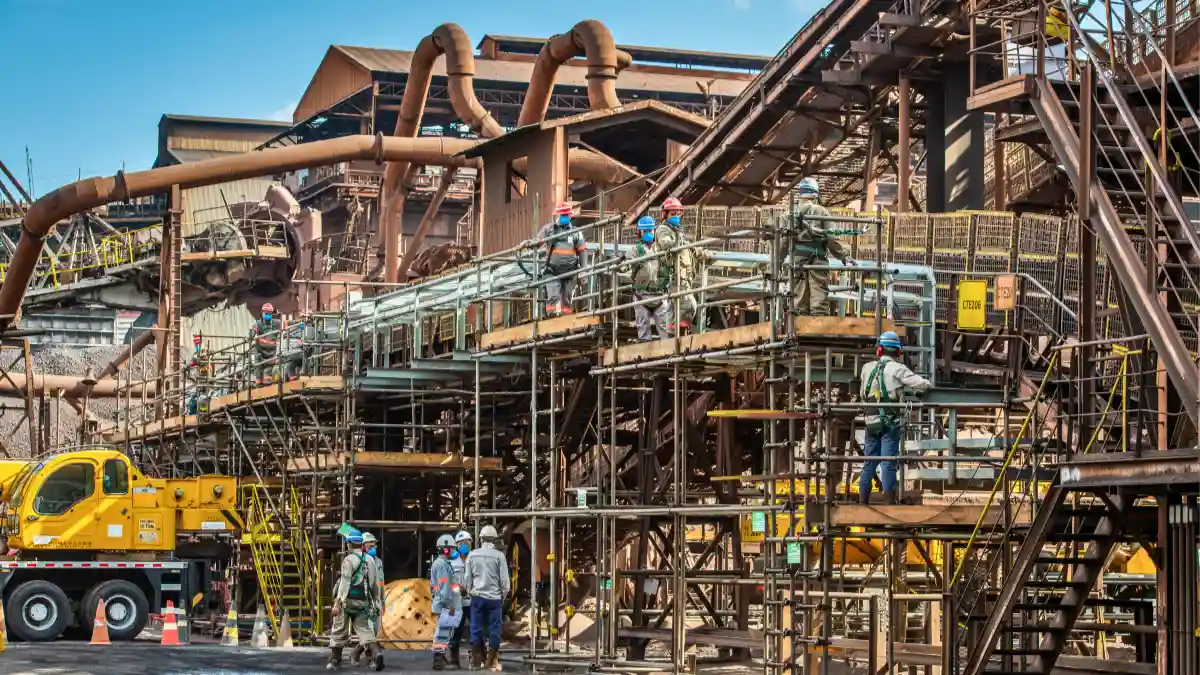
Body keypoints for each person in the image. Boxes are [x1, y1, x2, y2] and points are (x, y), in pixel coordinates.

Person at [858, 331, 932, 505]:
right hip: (890, 424)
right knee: (888, 463)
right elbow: (923, 384)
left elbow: (862, 393)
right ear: (898, 352)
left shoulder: (866, 368)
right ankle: (889, 503)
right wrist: (920, 390)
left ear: (880, 350)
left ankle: (862, 503)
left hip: (870, 422)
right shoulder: (898, 369)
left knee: (869, 462)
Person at [789, 178, 853, 316]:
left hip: (797, 262)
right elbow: (831, 237)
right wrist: (843, 255)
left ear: (800, 193)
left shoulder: (790, 213)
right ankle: (817, 327)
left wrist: (775, 264)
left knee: (799, 297)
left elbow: (782, 242)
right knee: (818, 297)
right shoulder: (821, 211)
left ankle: (798, 326)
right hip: (817, 259)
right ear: (816, 194)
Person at [329, 532, 383, 671]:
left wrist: (338, 602)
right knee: (366, 631)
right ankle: (377, 655)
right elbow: (375, 585)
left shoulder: (348, 560)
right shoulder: (370, 560)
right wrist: (377, 603)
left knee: (339, 629)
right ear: (361, 543)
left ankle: (335, 660)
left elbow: (345, 583)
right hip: (363, 602)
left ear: (349, 543)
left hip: (348, 601)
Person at [656, 197, 707, 331]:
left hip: (684, 275)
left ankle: (672, 338)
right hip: (674, 276)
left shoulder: (677, 230)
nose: (677, 216)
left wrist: (700, 252)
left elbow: (686, 246)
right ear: (665, 214)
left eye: (679, 213)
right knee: (689, 304)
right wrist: (677, 239)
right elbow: (666, 243)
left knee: (675, 309)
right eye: (673, 214)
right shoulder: (663, 229)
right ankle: (674, 335)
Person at [464, 525, 510, 672]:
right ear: (495, 539)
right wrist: (502, 596)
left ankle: (476, 662)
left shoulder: (472, 555)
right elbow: (505, 583)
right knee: (495, 629)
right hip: (494, 599)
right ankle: (492, 661)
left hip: (477, 598)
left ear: (481, 538)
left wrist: (471, 592)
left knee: (476, 628)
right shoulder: (499, 556)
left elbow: (466, 581)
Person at [536, 202, 587, 317]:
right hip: (553, 271)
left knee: (567, 298)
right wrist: (530, 244)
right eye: (562, 215)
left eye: (566, 215)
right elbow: (537, 241)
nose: (564, 218)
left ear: (570, 216)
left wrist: (583, 271)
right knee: (554, 296)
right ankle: (551, 321)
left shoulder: (575, 232)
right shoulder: (549, 230)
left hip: (570, 272)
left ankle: (565, 325)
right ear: (557, 215)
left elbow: (582, 251)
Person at [628, 216, 672, 342]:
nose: (648, 234)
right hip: (642, 296)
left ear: (655, 231)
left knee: (666, 332)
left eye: (650, 231)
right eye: (645, 231)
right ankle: (644, 358)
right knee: (643, 332)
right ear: (639, 233)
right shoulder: (635, 251)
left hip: (660, 296)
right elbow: (625, 266)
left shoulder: (661, 249)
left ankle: (667, 357)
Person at [350, 533, 386, 669]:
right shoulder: (360, 561)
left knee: (374, 631)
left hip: (376, 601)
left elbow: (381, 582)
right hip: (365, 601)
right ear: (363, 545)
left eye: (374, 543)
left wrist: (383, 600)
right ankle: (372, 659)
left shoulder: (378, 562)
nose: (373, 546)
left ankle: (355, 653)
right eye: (370, 544)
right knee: (369, 631)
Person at [431, 534, 463, 670]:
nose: (453, 551)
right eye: (451, 548)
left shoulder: (442, 564)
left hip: (445, 603)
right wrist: (450, 605)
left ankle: (440, 657)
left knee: (445, 632)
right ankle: (438, 660)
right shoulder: (442, 565)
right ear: (445, 549)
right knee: (443, 633)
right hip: (447, 605)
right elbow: (444, 589)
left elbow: (444, 586)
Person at [447, 530, 473, 670]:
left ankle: (477, 658)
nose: (464, 544)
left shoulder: (475, 559)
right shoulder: (451, 562)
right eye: (461, 542)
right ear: (457, 545)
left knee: (477, 629)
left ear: (471, 543)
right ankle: (453, 660)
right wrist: (458, 588)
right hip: (457, 601)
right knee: (455, 630)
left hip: (473, 600)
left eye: (467, 541)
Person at [250, 303, 281, 385]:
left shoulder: (277, 323)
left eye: (269, 314)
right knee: (257, 360)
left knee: (268, 373)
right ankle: (258, 382)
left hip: (272, 353)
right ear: (262, 313)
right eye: (266, 314)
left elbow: (286, 329)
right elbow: (252, 333)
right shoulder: (258, 324)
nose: (268, 315)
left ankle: (268, 382)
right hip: (260, 352)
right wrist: (251, 334)